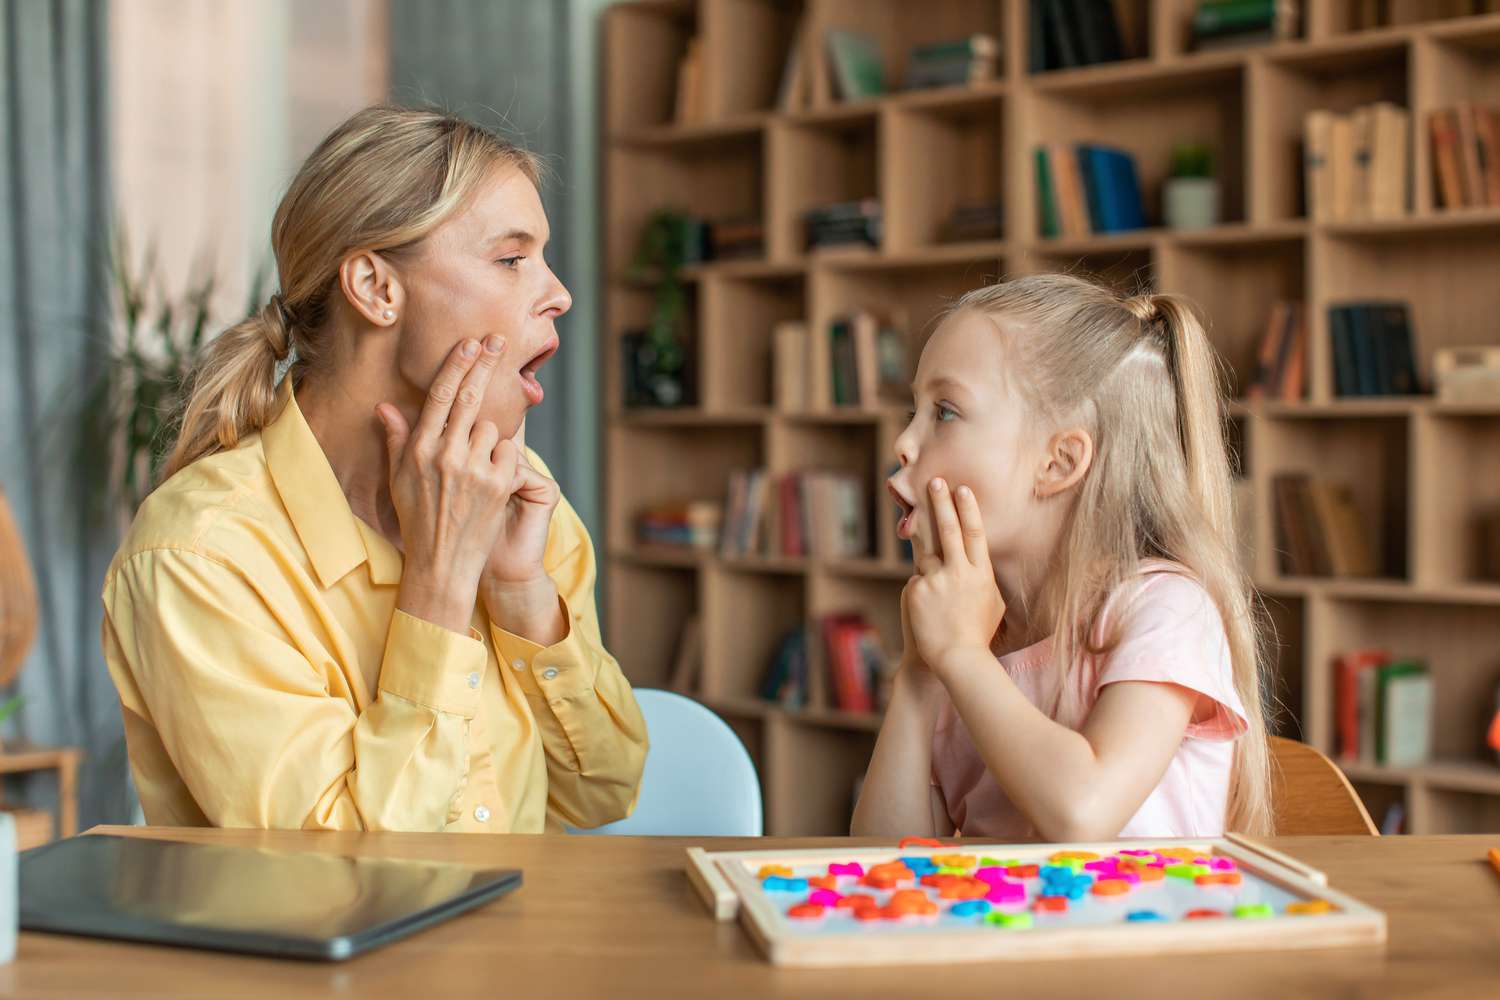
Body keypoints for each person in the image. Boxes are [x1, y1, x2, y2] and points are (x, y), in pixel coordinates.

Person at [102, 105, 647, 832]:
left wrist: (519, 592)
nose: (559, 294)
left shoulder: (513, 489)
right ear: (376, 288)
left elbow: (604, 793)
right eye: (512, 259)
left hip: (519, 944)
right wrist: (441, 582)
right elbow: (341, 882)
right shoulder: (198, 556)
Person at [852, 273, 1271, 841]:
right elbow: (881, 864)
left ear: (1058, 463)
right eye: (913, 412)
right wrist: (918, 676)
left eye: (944, 412)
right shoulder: (969, 643)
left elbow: (1085, 812)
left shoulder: (1167, 611)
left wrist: (958, 655)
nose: (903, 443)